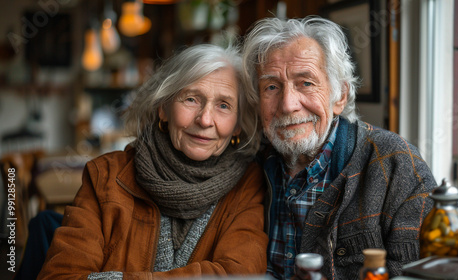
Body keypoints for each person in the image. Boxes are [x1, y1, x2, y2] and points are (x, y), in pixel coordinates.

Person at [37, 44, 268, 279]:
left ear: (238, 124)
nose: (205, 119)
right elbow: (61, 275)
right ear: (163, 108)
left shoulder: (248, 184)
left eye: (223, 105)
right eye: (191, 99)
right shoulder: (105, 175)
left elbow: (239, 274)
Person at [242, 16, 437, 279]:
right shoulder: (252, 162)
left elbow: (424, 274)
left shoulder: (397, 165)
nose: (288, 104)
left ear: (340, 95)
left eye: (306, 83)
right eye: (272, 87)